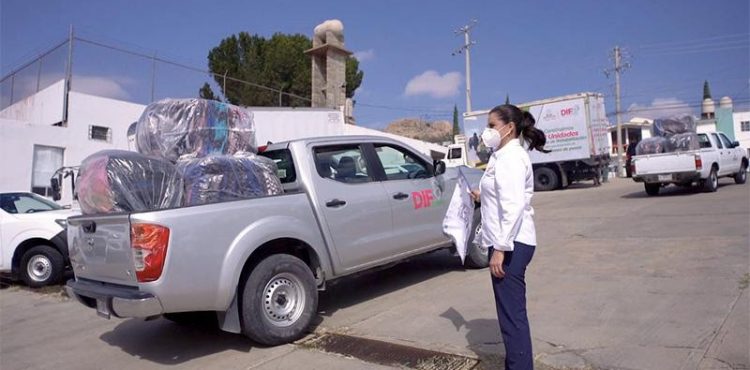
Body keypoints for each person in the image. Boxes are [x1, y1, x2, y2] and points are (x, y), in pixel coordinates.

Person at [469, 104, 548, 370]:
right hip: (507, 241)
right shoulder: (501, 155)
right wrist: (482, 196)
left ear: (509, 127)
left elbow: (513, 206)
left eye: (491, 125)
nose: (487, 131)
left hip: (512, 243)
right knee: (509, 315)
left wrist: (500, 249)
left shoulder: (512, 157)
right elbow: (503, 196)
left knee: (512, 317)